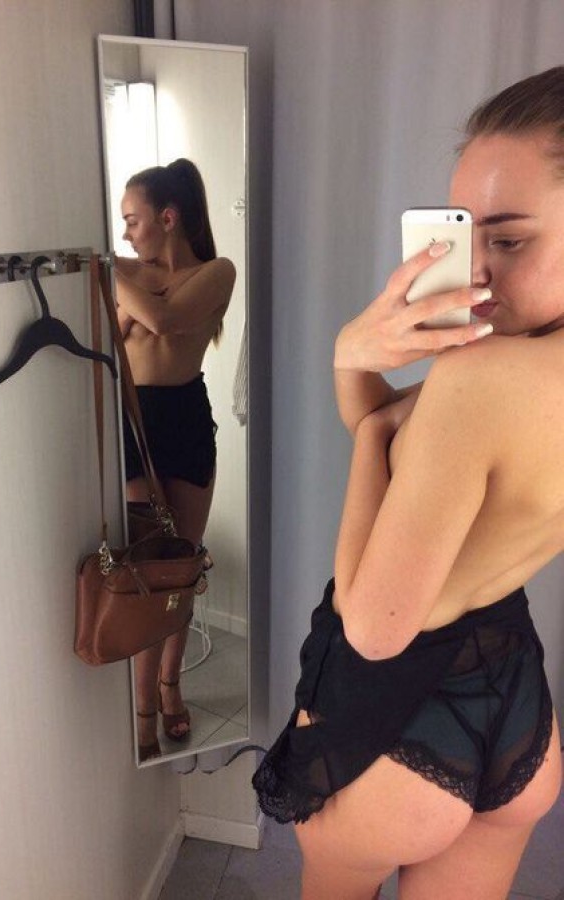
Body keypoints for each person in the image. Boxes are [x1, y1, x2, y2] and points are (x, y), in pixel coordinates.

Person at [253, 67, 564, 899]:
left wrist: (371, 432)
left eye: (508, 240)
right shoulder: (520, 364)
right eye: (463, 236)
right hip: (514, 702)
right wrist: (354, 359)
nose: (476, 272)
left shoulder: (479, 379)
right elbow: (400, 436)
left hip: (393, 719)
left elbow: (374, 629)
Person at [114, 158, 236, 761]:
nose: (126, 234)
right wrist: (123, 277)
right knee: (148, 569)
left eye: (133, 220)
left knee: (181, 568)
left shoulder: (216, 272)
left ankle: (170, 685)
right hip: (134, 424)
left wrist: (110, 276)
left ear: (168, 218)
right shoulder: (132, 272)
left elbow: (162, 323)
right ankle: (142, 706)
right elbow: (112, 339)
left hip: (184, 417)